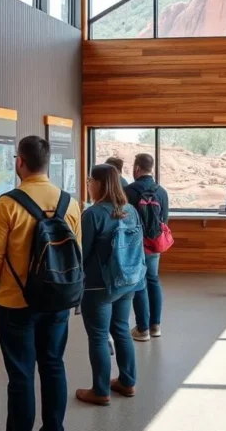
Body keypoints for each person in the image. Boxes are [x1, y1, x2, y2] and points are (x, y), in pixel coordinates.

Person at [0, 136, 81, 431]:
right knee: (53, 365)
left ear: (20, 161)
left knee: (21, 374)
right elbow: (78, 254)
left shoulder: (8, 204)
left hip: (15, 302)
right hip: (58, 299)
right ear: (47, 162)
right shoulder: (70, 203)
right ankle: (54, 427)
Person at [75, 164, 145, 405]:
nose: (88, 184)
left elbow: (82, 254)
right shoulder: (130, 210)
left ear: (99, 184)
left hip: (98, 286)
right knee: (122, 330)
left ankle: (101, 390)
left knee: (98, 337)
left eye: (89, 180)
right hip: (127, 281)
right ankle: (127, 382)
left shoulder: (93, 214)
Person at [124, 153, 168, 342]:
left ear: (136, 168)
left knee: (139, 284)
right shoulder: (162, 191)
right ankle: (155, 325)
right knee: (153, 280)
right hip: (155, 244)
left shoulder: (128, 191)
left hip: (135, 246)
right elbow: (164, 219)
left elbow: (123, 218)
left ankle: (142, 329)